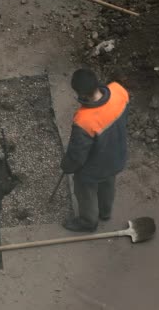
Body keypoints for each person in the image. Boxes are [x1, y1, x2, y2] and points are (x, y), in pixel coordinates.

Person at [60, 68, 130, 232]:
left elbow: (77, 155)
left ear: (81, 94)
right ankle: (105, 212)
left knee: (85, 189)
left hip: (95, 167)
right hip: (117, 156)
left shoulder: (84, 120)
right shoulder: (119, 91)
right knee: (108, 183)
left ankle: (88, 221)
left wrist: (67, 166)